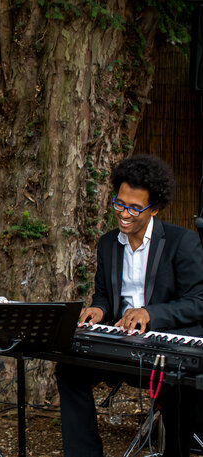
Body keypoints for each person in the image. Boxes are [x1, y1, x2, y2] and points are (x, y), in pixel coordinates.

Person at [56, 154, 203, 457]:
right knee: (69, 370)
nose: (124, 213)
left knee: (176, 386)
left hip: (163, 344)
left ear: (155, 208)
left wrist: (151, 313)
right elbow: (104, 296)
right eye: (120, 203)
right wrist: (97, 309)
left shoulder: (182, 242)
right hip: (119, 342)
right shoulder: (108, 243)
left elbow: (198, 302)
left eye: (135, 207)